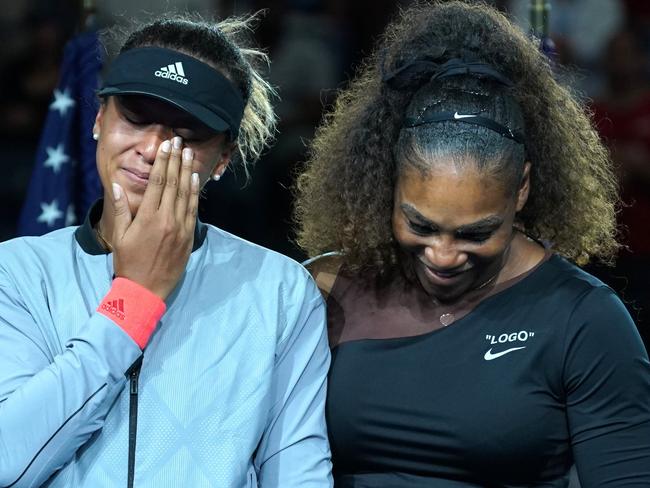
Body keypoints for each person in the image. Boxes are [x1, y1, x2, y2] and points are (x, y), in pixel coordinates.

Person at [294, 1, 650, 486]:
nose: (442, 255)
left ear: (521, 189)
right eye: (419, 226)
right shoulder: (325, 288)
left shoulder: (585, 320)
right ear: (388, 183)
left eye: (474, 233)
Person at [0, 13, 332, 488]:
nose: (153, 147)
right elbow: (7, 461)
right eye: (135, 116)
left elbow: (298, 474)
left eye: (187, 133)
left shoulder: (280, 289)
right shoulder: (16, 272)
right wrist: (133, 300)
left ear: (223, 158)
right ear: (98, 119)